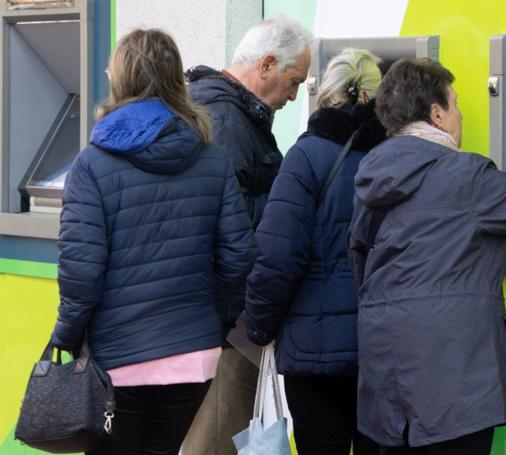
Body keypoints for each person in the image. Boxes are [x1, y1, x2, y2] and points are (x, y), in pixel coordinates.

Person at [348, 58, 506, 455]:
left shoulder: (373, 173)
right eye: (455, 103)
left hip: (387, 371)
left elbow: (359, 258)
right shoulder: (462, 176)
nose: (462, 114)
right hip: (452, 374)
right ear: (436, 113)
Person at [50, 28, 257, 455]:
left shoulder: (93, 163)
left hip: (116, 359)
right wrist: (209, 317)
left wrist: (66, 336)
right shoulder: (212, 158)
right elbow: (239, 255)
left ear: (120, 79)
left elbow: (82, 271)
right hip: (192, 355)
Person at [181, 15, 313, 455]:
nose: (294, 96)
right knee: (217, 437)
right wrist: (284, 206)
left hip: (209, 315)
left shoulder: (218, 109)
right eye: (293, 81)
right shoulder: (228, 119)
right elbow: (225, 219)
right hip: (226, 322)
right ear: (268, 65)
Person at [245, 48, 386, 455]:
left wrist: (260, 325)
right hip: (381, 346)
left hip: (313, 352)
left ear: (326, 94)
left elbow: (276, 256)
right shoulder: (395, 158)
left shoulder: (305, 156)